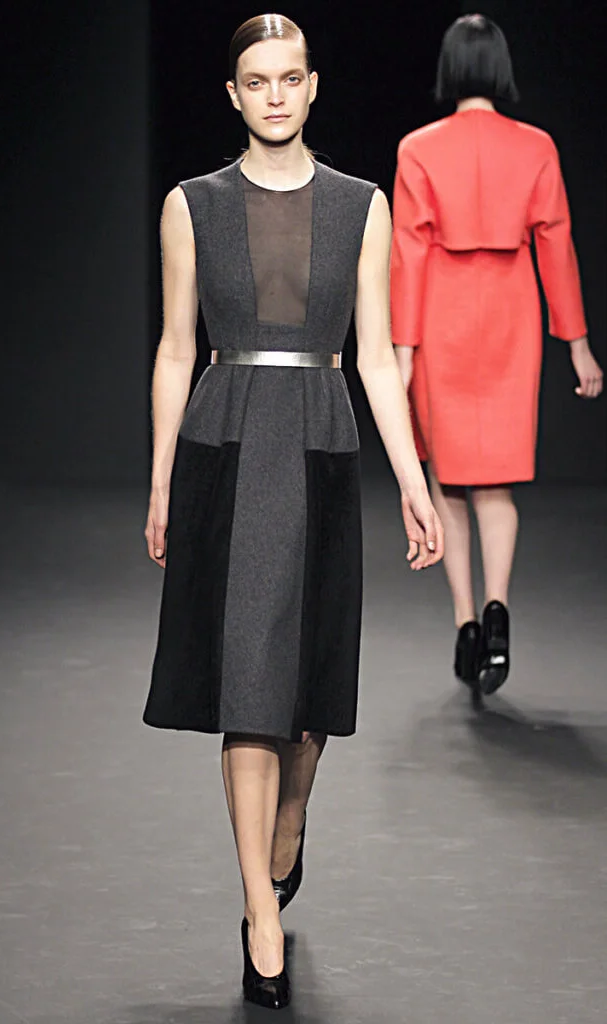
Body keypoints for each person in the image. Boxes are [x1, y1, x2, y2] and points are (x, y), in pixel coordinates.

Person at [142, 13, 443, 1010]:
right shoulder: (191, 205)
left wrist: (412, 479)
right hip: (226, 445)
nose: (273, 95)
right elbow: (176, 348)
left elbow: (376, 358)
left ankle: (290, 820)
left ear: (311, 86)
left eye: (288, 78)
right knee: (248, 685)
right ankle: (257, 914)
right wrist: (159, 480)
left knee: (305, 702)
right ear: (232, 95)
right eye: (255, 81)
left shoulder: (362, 205)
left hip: (318, 438)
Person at [390, 14, 603, 697]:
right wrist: (577, 345)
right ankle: (496, 610)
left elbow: (408, 253)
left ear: (449, 68)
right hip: (512, 315)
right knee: (496, 483)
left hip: (443, 318)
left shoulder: (418, 148)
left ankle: (463, 623)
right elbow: (556, 244)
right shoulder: (535, 146)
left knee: (448, 480)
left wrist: (401, 351)